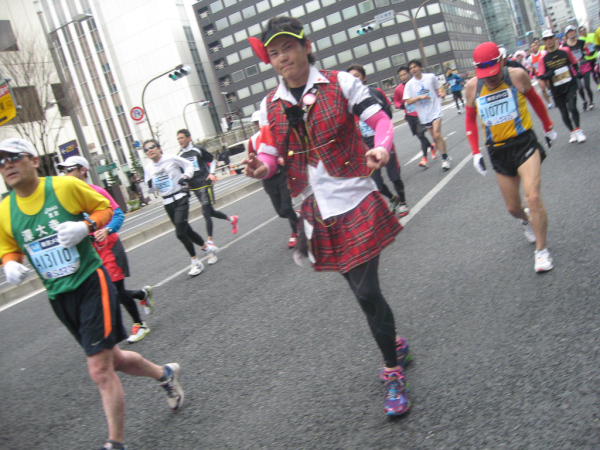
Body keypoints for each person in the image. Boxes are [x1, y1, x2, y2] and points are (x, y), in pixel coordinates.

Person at [245, 16, 411, 417]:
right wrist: (261, 169)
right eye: (274, 52)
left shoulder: (341, 83)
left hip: (356, 197)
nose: (282, 57)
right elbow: (270, 154)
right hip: (316, 210)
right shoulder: (269, 105)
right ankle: (395, 344)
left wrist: (381, 147)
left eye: (288, 47)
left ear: (306, 46)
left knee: (367, 292)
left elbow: (380, 120)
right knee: (360, 291)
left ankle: (392, 371)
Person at [0, 138, 184, 450]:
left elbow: (106, 208)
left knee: (99, 370)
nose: (7, 165)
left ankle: (115, 443)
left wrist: (84, 226)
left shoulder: (63, 187)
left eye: (13, 157)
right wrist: (10, 263)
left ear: (33, 160)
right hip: (58, 295)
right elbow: (9, 246)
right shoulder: (5, 210)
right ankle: (165, 374)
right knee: (114, 359)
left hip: (90, 282)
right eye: (1, 161)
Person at [465, 42, 557, 273]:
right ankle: (526, 220)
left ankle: (542, 251)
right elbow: (469, 120)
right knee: (513, 208)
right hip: (497, 150)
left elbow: (535, 100)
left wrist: (548, 127)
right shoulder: (472, 87)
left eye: (494, 73)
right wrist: (475, 152)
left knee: (533, 197)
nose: (491, 78)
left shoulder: (517, 76)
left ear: (502, 61)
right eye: (485, 74)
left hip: (523, 142)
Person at [58, 155, 154, 344]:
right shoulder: (65, 199)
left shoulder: (96, 191)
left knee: (116, 292)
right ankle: (141, 294)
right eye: (63, 171)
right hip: (90, 254)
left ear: (82, 170)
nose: (65, 174)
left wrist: (106, 229)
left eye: (70, 170)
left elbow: (117, 215)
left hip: (109, 248)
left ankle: (140, 324)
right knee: (107, 293)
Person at [143, 138, 217, 274]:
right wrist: (150, 186)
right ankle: (207, 247)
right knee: (187, 230)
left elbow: (189, 165)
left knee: (180, 233)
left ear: (159, 148)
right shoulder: (148, 168)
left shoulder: (170, 158)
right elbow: (152, 189)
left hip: (180, 197)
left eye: (152, 147)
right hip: (167, 202)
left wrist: (186, 176)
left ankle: (195, 262)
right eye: (146, 149)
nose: (150, 150)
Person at [347, 64, 409, 217]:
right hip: (366, 146)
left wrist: (374, 112)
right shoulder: (347, 102)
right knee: (375, 182)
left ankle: (403, 202)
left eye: (357, 76)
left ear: (364, 77)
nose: (353, 80)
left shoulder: (375, 92)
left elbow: (388, 114)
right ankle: (393, 198)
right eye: (350, 78)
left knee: (394, 176)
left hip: (383, 143)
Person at [176, 129, 238, 249]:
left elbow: (211, 161)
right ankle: (232, 219)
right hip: (194, 187)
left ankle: (210, 241)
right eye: (178, 139)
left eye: (182, 138)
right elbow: (181, 171)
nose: (180, 141)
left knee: (205, 212)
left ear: (189, 138)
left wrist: (211, 173)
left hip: (205, 183)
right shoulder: (179, 156)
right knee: (211, 212)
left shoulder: (197, 150)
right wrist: (185, 182)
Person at [248, 111, 299, 247]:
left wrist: (283, 158)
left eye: (260, 122)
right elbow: (251, 160)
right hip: (268, 180)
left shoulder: (275, 133)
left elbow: (286, 149)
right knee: (281, 212)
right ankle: (297, 216)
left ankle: (295, 233)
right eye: (256, 123)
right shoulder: (253, 140)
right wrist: (254, 169)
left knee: (287, 207)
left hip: (282, 174)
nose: (259, 125)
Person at [537, 30, 586, 144]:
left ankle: (578, 130)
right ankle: (572, 132)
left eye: (550, 38)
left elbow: (574, 62)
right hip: (556, 89)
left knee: (572, 107)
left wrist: (577, 72)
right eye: (546, 39)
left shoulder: (565, 50)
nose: (549, 41)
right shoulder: (543, 58)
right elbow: (541, 76)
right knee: (564, 113)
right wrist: (547, 75)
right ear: (543, 41)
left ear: (554, 38)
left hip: (570, 84)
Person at [403, 59, 452, 170]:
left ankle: (444, 159)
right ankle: (446, 156)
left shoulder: (430, 77)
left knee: (437, 135)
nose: (413, 69)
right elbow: (408, 101)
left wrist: (441, 93)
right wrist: (419, 97)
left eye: (415, 67)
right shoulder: (410, 84)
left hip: (435, 109)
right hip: (424, 114)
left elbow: (438, 87)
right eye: (411, 68)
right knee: (434, 137)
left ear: (420, 67)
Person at [394, 66, 436, 168]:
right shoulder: (398, 89)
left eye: (405, 74)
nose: (403, 77)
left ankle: (424, 159)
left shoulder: (415, 84)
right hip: (409, 115)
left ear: (408, 74)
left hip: (419, 113)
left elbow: (425, 93)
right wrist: (401, 106)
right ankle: (431, 146)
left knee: (421, 134)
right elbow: (396, 101)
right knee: (419, 136)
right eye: (401, 76)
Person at [564, 25, 594, 111]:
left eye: (572, 31)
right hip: (574, 69)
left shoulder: (581, 42)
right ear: (567, 34)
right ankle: (584, 101)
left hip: (584, 65)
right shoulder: (565, 46)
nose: (571, 33)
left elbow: (588, 51)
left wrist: (589, 51)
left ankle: (591, 102)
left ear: (575, 32)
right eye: (569, 32)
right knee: (580, 87)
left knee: (587, 86)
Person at [528, 39, 553, 108]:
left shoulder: (543, 53)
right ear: (530, 49)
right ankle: (549, 102)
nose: (533, 47)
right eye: (531, 47)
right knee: (542, 89)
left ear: (537, 46)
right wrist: (532, 72)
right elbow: (530, 67)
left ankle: (555, 97)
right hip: (538, 75)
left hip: (546, 73)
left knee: (550, 86)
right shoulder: (530, 58)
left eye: (534, 46)